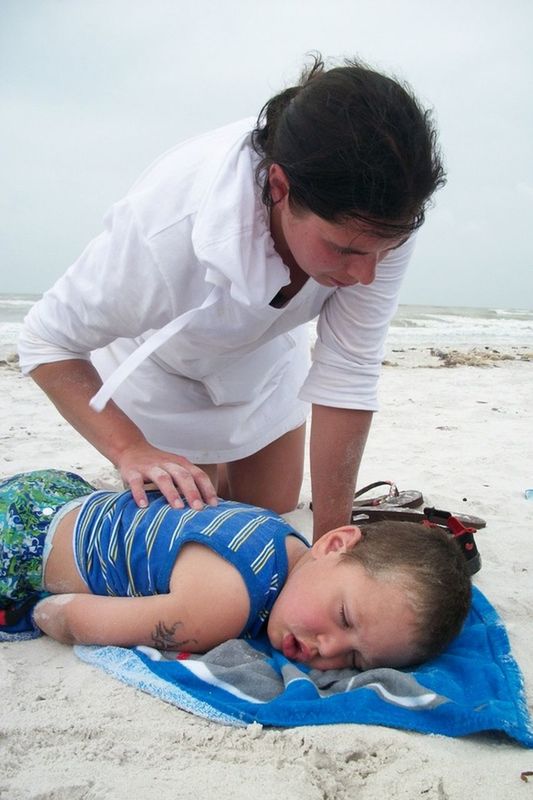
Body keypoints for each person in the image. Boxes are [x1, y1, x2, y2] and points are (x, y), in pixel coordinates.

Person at [17, 55, 446, 542]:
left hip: (262, 360)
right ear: (280, 188)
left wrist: (333, 543)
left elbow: (349, 373)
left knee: (272, 511)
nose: (365, 275)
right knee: (197, 532)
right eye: (344, 250)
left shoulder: (380, 218)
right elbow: (45, 342)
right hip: (165, 371)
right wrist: (130, 449)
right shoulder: (165, 230)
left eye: (382, 252)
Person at [1, 470, 471, 670]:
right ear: (334, 542)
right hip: (23, 538)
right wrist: (38, 614)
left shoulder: (285, 541)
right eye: (345, 618)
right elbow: (72, 618)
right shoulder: (222, 606)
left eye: (353, 661)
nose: (328, 648)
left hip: (63, 492)